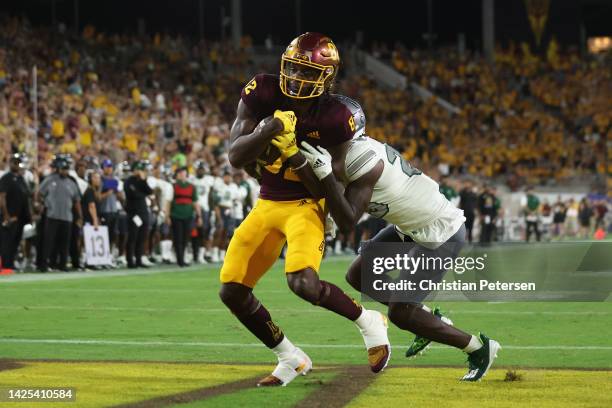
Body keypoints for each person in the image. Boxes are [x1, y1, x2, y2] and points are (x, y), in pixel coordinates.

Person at [220, 32, 389, 387]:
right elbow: (236, 155)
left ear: (327, 79)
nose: (297, 80)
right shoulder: (262, 91)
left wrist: (295, 157)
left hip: (305, 206)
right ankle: (289, 356)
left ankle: (367, 320)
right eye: (294, 70)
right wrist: (269, 130)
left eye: (309, 74)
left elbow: (330, 186)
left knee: (303, 283)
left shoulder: (336, 116)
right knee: (232, 290)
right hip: (267, 203)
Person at [300, 135, 500, 382]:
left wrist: (326, 179)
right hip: (409, 226)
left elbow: (348, 218)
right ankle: (428, 315)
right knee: (358, 274)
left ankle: (478, 348)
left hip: (438, 231)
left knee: (400, 314)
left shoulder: (362, 159)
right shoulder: (355, 153)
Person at [37, 157, 82, 272]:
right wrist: (42, 204)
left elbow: (76, 201)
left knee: (64, 243)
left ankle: (62, 264)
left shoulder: (71, 183)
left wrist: (80, 216)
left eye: (66, 169)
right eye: (63, 169)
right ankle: (44, 264)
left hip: (67, 217)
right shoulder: (50, 179)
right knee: (48, 241)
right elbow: (39, 193)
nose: (65, 171)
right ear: (58, 169)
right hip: (52, 216)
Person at [0, 154, 32, 270]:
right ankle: (6, 266)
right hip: (9, 217)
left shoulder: (20, 178)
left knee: (15, 242)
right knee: (6, 243)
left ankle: (10, 265)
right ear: (10, 163)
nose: (16, 164)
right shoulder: (6, 178)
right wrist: (6, 215)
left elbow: (26, 197)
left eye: (18, 162)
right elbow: (2, 197)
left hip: (20, 218)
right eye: (14, 162)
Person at [166, 167, 200, 267]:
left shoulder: (192, 187)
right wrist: (167, 216)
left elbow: (195, 202)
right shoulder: (172, 186)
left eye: (183, 173)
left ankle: (182, 258)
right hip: (176, 215)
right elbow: (168, 202)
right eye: (179, 173)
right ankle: (180, 260)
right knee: (178, 238)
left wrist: (199, 215)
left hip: (188, 215)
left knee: (185, 238)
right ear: (176, 175)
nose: (182, 175)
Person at [124, 160, 154, 269]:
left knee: (142, 238)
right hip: (133, 213)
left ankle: (139, 260)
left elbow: (150, 191)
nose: (141, 172)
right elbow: (133, 194)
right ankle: (129, 261)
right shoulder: (129, 181)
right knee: (133, 237)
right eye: (140, 169)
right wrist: (142, 193)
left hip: (143, 212)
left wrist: (143, 180)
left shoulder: (142, 181)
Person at [190, 160, 215, 263]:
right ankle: (191, 253)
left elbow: (210, 196)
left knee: (204, 232)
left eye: (202, 169)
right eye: (199, 169)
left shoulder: (209, 180)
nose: (201, 171)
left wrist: (212, 210)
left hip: (205, 209)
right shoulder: (191, 179)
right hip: (192, 208)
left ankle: (201, 254)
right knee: (191, 232)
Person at [99, 159, 123, 260]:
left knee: (113, 234)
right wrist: (108, 193)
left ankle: (110, 254)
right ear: (102, 168)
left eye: (110, 166)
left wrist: (118, 194)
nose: (109, 169)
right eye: (107, 166)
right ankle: (103, 255)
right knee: (105, 235)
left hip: (114, 210)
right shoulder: (100, 179)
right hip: (104, 211)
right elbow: (98, 197)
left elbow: (120, 197)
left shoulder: (115, 180)